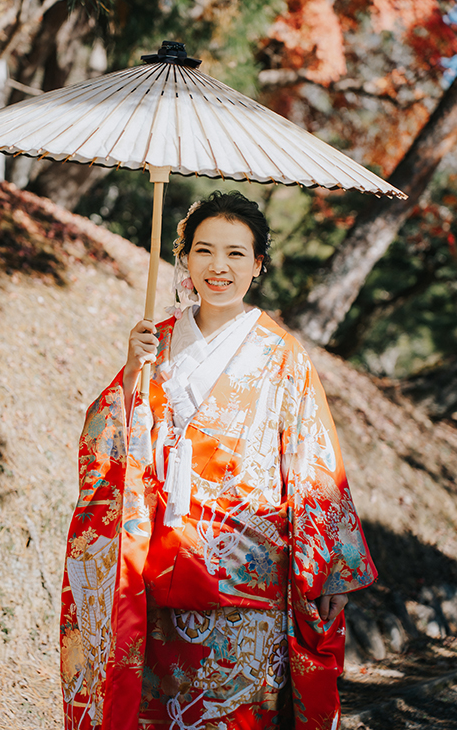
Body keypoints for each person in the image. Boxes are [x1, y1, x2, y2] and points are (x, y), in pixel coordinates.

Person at [59, 191, 377, 729]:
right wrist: (133, 375)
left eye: (235, 253)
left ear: (258, 265)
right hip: (157, 561)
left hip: (244, 574)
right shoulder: (155, 344)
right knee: (154, 711)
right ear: (184, 257)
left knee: (234, 715)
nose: (218, 266)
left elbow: (312, 462)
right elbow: (104, 447)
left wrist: (328, 572)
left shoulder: (281, 355)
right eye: (204, 250)